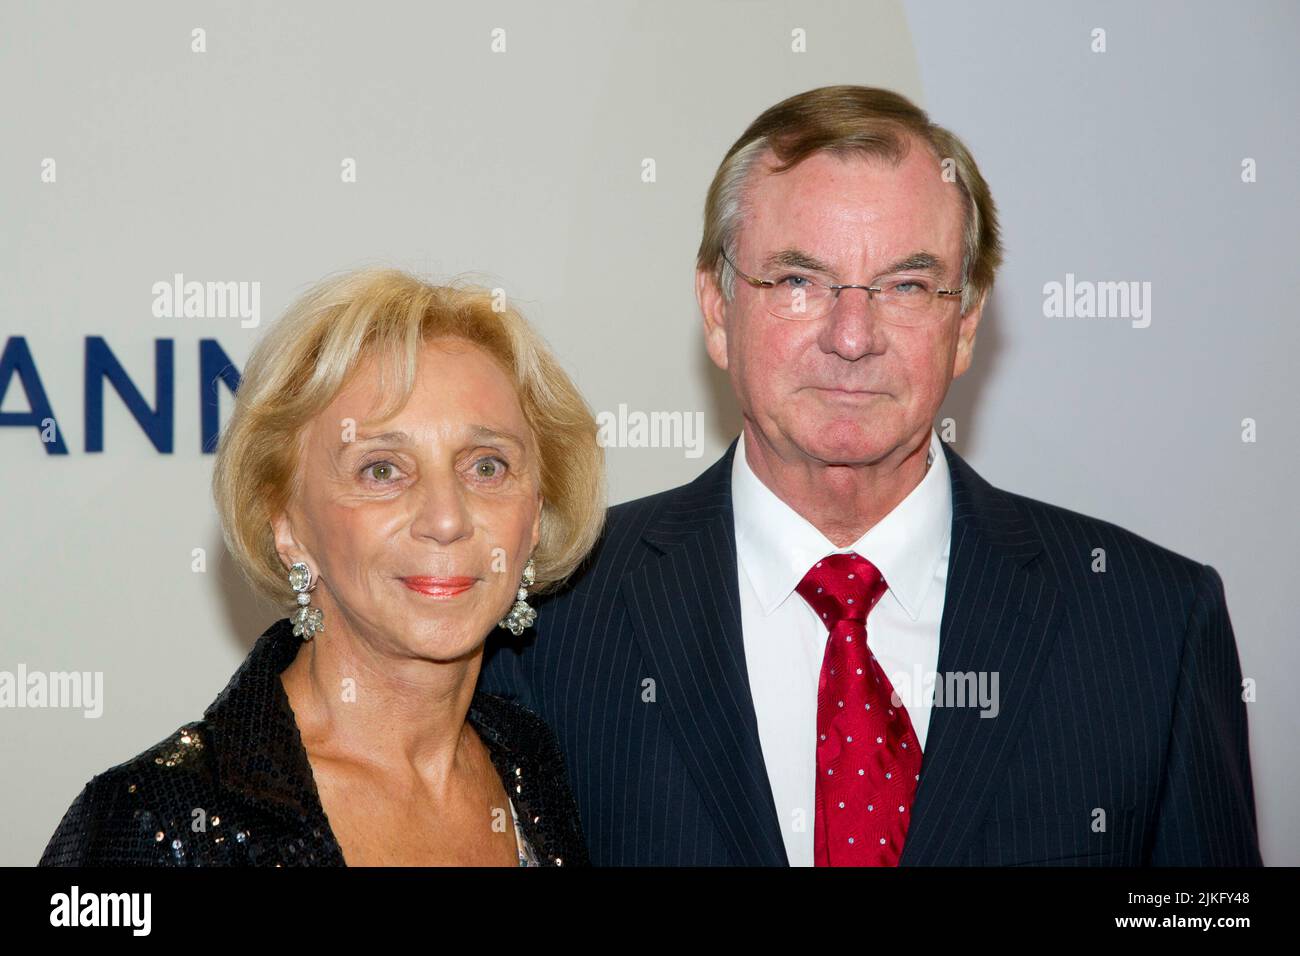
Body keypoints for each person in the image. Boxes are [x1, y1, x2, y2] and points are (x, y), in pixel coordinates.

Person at [480, 85, 1264, 866]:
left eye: (908, 286)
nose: (852, 337)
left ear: (966, 325)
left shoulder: (1152, 627)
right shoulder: (549, 618)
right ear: (718, 310)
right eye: (797, 282)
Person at [40, 267, 604, 866]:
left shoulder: (531, 762)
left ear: (537, 510)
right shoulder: (156, 819)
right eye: (382, 469)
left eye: (486, 466)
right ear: (286, 522)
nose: (446, 519)